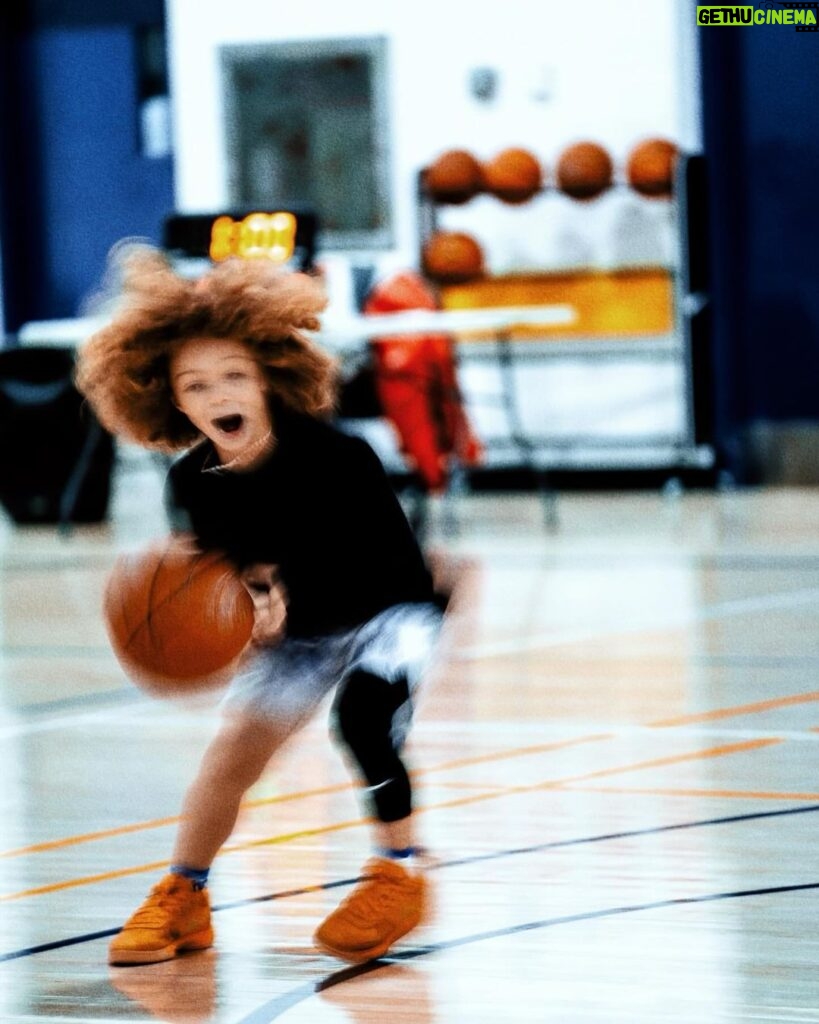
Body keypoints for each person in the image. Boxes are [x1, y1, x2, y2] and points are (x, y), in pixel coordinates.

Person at [75, 246, 446, 967]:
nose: (217, 395)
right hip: (302, 624)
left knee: (362, 718)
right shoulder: (192, 480)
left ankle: (398, 870)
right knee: (230, 756)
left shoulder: (338, 458)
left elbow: (383, 565)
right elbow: (227, 571)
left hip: (388, 609)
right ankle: (185, 894)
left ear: (269, 381)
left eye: (234, 376)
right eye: (196, 384)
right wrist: (249, 611)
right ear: (172, 400)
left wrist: (278, 596)